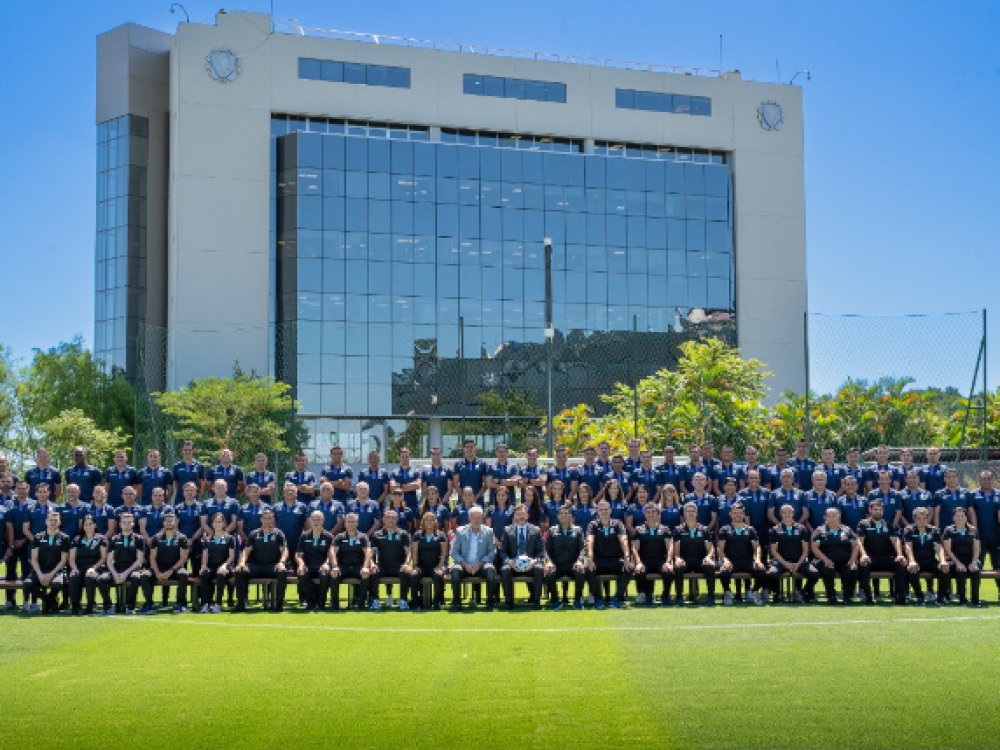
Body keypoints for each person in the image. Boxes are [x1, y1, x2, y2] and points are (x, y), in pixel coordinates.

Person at [234, 507, 288, 612]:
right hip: (255, 566)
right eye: (265, 518)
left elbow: (284, 551)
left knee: (283, 572)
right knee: (239, 571)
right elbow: (246, 550)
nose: (267, 520)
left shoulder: (278, 534)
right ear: (261, 519)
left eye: (270, 518)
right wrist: (242, 563)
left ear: (273, 519)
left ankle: (279, 604)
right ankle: (241, 604)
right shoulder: (254, 534)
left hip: (272, 566)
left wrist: (281, 563)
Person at [856, 497, 908, 605]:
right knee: (864, 565)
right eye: (875, 509)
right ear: (870, 510)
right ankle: (868, 597)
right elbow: (859, 541)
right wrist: (863, 555)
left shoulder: (888, 524)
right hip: (870, 558)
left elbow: (895, 540)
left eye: (880, 510)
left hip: (885, 558)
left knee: (901, 564)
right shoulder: (863, 524)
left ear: (883, 511)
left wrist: (899, 554)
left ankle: (900, 597)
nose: (878, 512)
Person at [716, 501, 766, 606]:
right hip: (731, 561)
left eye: (740, 513)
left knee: (762, 570)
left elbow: (757, 547)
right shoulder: (724, 530)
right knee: (723, 572)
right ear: (730, 514)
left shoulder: (750, 530)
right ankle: (727, 592)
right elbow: (720, 549)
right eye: (735, 513)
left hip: (747, 561)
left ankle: (754, 592)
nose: (737, 515)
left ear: (744, 514)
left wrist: (757, 560)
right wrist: (725, 560)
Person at [99, 511, 149, 615]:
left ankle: (130, 606)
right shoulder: (114, 539)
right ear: (120, 524)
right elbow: (109, 560)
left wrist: (125, 574)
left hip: (133, 568)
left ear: (133, 524)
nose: (126, 525)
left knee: (136, 577)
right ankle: (108, 606)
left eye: (129, 522)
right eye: (124, 522)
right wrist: (114, 573)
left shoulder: (139, 539)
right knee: (101, 579)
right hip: (117, 568)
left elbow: (139, 560)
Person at [767, 503, 819, 603]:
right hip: (781, 562)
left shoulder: (801, 528)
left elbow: (805, 550)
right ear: (781, 514)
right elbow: (774, 551)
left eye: (789, 512)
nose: (787, 514)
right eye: (784, 512)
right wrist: (785, 564)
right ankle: (777, 593)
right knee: (772, 573)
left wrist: (798, 563)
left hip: (799, 561)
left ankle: (803, 592)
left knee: (814, 573)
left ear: (793, 513)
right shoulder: (775, 529)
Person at [586, 500, 632, 609]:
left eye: (606, 509)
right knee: (588, 568)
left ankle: (616, 598)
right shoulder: (593, 525)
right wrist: (590, 559)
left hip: (615, 560)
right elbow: (589, 541)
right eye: (601, 510)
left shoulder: (618, 524)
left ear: (610, 511)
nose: (604, 512)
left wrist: (626, 557)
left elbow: (624, 540)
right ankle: (598, 599)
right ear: (597, 511)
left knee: (629, 568)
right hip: (599, 561)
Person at [450, 505, 497, 611]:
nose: (477, 520)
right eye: (474, 518)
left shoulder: (489, 531)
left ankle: (490, 603)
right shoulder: (460, 531)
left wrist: (480, 564)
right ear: (469, 518)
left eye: (479, 518)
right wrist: (465, 564)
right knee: (455, 570)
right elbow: (454, 552)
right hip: (464, 565)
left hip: (481, 565)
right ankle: (456, 603)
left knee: (490, 569)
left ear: (482, 519)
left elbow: (492, 551)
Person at [810, 507, 861, 605]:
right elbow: (814, 548)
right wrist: (826, 560)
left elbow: (855, 546)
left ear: (839, 516)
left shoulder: (847, 530)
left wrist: (852, 561)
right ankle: (831, 596)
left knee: (852, 570)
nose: (832, 518)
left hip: (845, 560)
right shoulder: (820, 531)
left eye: (834, 515)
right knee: (828, 569)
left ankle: (847, 597)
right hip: (825, 560)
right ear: (825, 517)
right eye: (829, 516)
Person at [23, 510, 69, 614]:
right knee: (27, 584)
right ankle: (50, 601)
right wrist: (40, 575)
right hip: (40, 570)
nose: (53, 522)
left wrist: (50, 575)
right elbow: (33, 559)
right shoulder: (38, 537)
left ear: (59, 522)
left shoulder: (64, 538)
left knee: (57, 584)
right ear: (46, 522)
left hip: (57, 571)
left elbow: (63, 560)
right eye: (51, 520)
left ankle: (48, 602)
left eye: (55, 520)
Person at [499, 504, 544, 609]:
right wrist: (509, 561)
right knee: (505, 570)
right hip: (513, 564)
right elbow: (503, 551)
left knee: (539, 568)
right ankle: (509, 602)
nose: (521, 517)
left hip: (531, 564)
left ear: (527, 515)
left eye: (523, 514)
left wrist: (534, 561)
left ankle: (536, 601)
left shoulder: (536, 530)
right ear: (515, 516)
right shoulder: (507, 530)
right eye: (518, 514)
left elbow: (541, 551)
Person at [671, 501, 716, 606]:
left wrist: (708, 557)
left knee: (710, 567)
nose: (690, 513)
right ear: (684, 514)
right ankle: (679, 597)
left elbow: (710, 549)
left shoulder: (704, 529)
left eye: (693, 511)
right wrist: (677, 558)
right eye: (688, 511)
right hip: (685, 561)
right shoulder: (678, 530)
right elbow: (676, 550)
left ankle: (711, 596)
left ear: (696, 514)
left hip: (700, 561)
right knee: (678, 567)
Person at [544, 504, 586, 610]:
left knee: (581, 572)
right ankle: (555, 600)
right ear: (558, 516)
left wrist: (580, 561)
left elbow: (582, 548)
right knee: (548, 573)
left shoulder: (578, 530)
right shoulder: (552, 530)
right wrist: (548, 562)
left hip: (572, 564)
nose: (563, 516)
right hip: (557, 564)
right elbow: (546, 550)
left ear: (571, 516)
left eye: (566, 513)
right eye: (561, 514)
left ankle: (577, 600)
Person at [903, 507, 948, 605]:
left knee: (944, 569)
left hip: (930, 561)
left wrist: (943, 560)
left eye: (924, 518)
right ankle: (919, 596)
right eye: (919, 519)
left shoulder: (934, 531)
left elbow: (939, 548)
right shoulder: (909, 530)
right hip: (916, 561)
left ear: (928, 519)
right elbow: (908, 547)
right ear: (914, 519)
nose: (922, 521)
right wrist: (912, 561)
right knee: (912, 570)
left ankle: (940, 597)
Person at [631, 502, 674, 607]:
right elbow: (635, 548)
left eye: (653, 512)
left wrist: (668, 562)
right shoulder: (639, 530)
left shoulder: (665, 529)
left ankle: (665, 595)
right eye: (648, 512)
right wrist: (638, 563)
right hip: (645, 561)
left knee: (669, 572)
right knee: (639, 572)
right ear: (645, 514)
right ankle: (648, 595)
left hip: (660, 561)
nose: (651, 514)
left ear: (658, 514)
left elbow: (670, 547)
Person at [148, 511, 191, 613]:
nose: (169, 523)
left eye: (171, 521)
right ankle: (149, 605)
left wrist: (171, 571)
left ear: (176, 523)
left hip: (175, 568)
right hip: (160, 568)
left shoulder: (182, 538)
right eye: (167, 521)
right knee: (145, 575)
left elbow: (183, 558)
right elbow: (152, 557)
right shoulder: (156, 538)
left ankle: (180, 604)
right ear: (163, 523)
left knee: (184, 574)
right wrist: (157, 572)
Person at [370, 508, 412, 610]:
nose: (390, 520)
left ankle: (403, 600)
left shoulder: (403, 534)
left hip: (398, 565)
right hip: (382, 565)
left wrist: (406, 564)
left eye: (393, 518)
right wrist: (372, 564)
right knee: (372, 572)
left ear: (397, 519)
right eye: (388, 518)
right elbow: (370, 554)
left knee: (406, 573)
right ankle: (375, 600)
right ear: (383, 519)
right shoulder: (377, 535)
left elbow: (409, 552)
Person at [330, 513, 374, 610]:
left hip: (358, 567)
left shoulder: (363, 537)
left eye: (353, 522)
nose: (350, 524)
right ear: (345, 523)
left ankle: (361, 603)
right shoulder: (339, 537)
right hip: (343, 567)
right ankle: (334, 604)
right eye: (348, 522)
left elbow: (368, 553)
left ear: (357, 523)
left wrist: (365, 567)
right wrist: (334, 566)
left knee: (366, 574)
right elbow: (332, 552)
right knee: (334, 574)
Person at [68, 514, 108, 615]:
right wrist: (74, 569)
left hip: (96, 567)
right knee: (74, 577)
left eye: (90, 524)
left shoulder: (101, 539)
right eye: (86, 524)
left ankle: (90, 606)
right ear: (83, 526)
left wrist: (93, 568)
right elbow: (71, 558)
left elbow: (103, 558)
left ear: (95, 525)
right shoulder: (77, 539)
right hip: (79, 567)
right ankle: (75, 607)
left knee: (90, 577)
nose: (88, 526)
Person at [943, 506, 982, 607]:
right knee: (960, 571)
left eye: (962, 516)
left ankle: (975, 600)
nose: (960, 518)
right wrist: (958, 563)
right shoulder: (949, 530)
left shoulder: (973, 530)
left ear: (966, 518)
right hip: (955, 560)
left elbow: (977, 548)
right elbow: (947, 549)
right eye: (957, 516)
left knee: (975, 570)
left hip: (970, 559)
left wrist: (974, 562)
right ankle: (962, 599)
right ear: (953, 518)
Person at [408, 512, 448, 610]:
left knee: (438, 576)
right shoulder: (417, 535)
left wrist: (440, 567)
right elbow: (414, 552)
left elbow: (444, 553)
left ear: (435, 522)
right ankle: (415, 601)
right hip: (421, 565)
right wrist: (415, 566)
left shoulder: (441, 535)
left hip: (435, 565)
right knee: (414, 575)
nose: (429, 522)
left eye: (432, 520)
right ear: (423, 522)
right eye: (427, 520)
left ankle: (436, 602)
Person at [296, 511, 333, 611]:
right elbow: (298, 554)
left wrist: (326, 563)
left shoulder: (328, 536)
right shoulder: (304, 536)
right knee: (301, 573)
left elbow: (331, 554)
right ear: (310, 521)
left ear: (323, 521)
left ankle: (321, 601)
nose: (316, 522)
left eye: (318, 519)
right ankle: (310, 601)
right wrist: (301, 564)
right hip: (308, 565)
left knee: (325, 573)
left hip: (322, 565)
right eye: (314, 519)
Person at [4, 480, 33, 610]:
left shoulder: (33, 504)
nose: (21, 491)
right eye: (19, 488)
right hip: (11, 543)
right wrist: (11, 544)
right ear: (15, 490)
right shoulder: (9, 504)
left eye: (24, 488)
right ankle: (10, 600)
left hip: (28, 543)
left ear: (28, 489)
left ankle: (27, 601)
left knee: (27, 571)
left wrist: (24, 540)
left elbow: (32, 526)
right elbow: (8, 526)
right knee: (10, 571)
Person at [198, 512, 235, 613]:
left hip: (225, 567)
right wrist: (204, 566)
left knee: (220, 574)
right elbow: (205, 556)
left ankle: (217, 604)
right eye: (215, 522)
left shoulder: (230, 538)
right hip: (212, 566)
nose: (218, 524)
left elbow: (231, 557)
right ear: (212, 524)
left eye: (220, 521)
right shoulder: (207, 538)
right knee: (204, 574)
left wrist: (224, 566)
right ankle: (205, 604)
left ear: (224, 523)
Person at [739, 470, 773, 561]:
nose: (753, 480)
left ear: (760, 479)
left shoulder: (767, 493)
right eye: (751, 478)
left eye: (756, 478)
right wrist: (748, 527)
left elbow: (770, 510)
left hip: (764, 528)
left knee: (763, 554)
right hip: (748, 527)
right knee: (748, 552)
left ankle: (763, 567)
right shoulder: (741, 494)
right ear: (747, 480)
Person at [273, 482, 309, 563]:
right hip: (280, 544)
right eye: (287, 491)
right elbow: (272, 524)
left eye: (292, 491)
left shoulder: (303, 507)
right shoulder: (276, 507)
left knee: (297, 567)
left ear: (296, 494)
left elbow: (306, 525)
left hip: (297, 543)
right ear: (283, 494)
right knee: (279, 567)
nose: (290, 492)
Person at [175, 482, 206, 571]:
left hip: (197, 542)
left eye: (192, 490)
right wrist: (184, 540)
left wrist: (192, 540)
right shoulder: (177, 508)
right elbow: (175, 526)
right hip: (181, 543)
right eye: (187, 490)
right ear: (183, 492)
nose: (189, 492)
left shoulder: (201, 507)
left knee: (197, 572)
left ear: (196, 492)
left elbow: (202, 526)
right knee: (181, 572)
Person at [934, 468, 972, 532]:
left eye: (954, 477)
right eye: (949, 477)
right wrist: (937, 530)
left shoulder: (966, 493)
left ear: (957, 478)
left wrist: (974, 527)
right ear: (945, 479)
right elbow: (936, 513)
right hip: (945, 530)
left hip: (964, 530)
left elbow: (971, 512)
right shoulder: (938, 494)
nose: (952, 479)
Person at [453, 440, 488, 506]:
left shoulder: (482, 464)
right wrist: (464, 497)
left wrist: (477, 497)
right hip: (462, 501)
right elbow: (455, 483)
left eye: (471, 447)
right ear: (463, 449)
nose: (469, 449)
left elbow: (486, 483)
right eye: (467, 447)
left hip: (478, 500)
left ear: (476, 448)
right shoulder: (458, 464)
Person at [391, 447, 422, 514]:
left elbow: (417, 485)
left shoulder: (415, 471)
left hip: (413, 504)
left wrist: (399, 486)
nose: (404, 459)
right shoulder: (394, 472)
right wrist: (409, 486)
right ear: (399, 458)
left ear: (410, 458)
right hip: (398, 506)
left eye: (406, 457)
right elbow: (392, 487)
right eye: (402, 457)